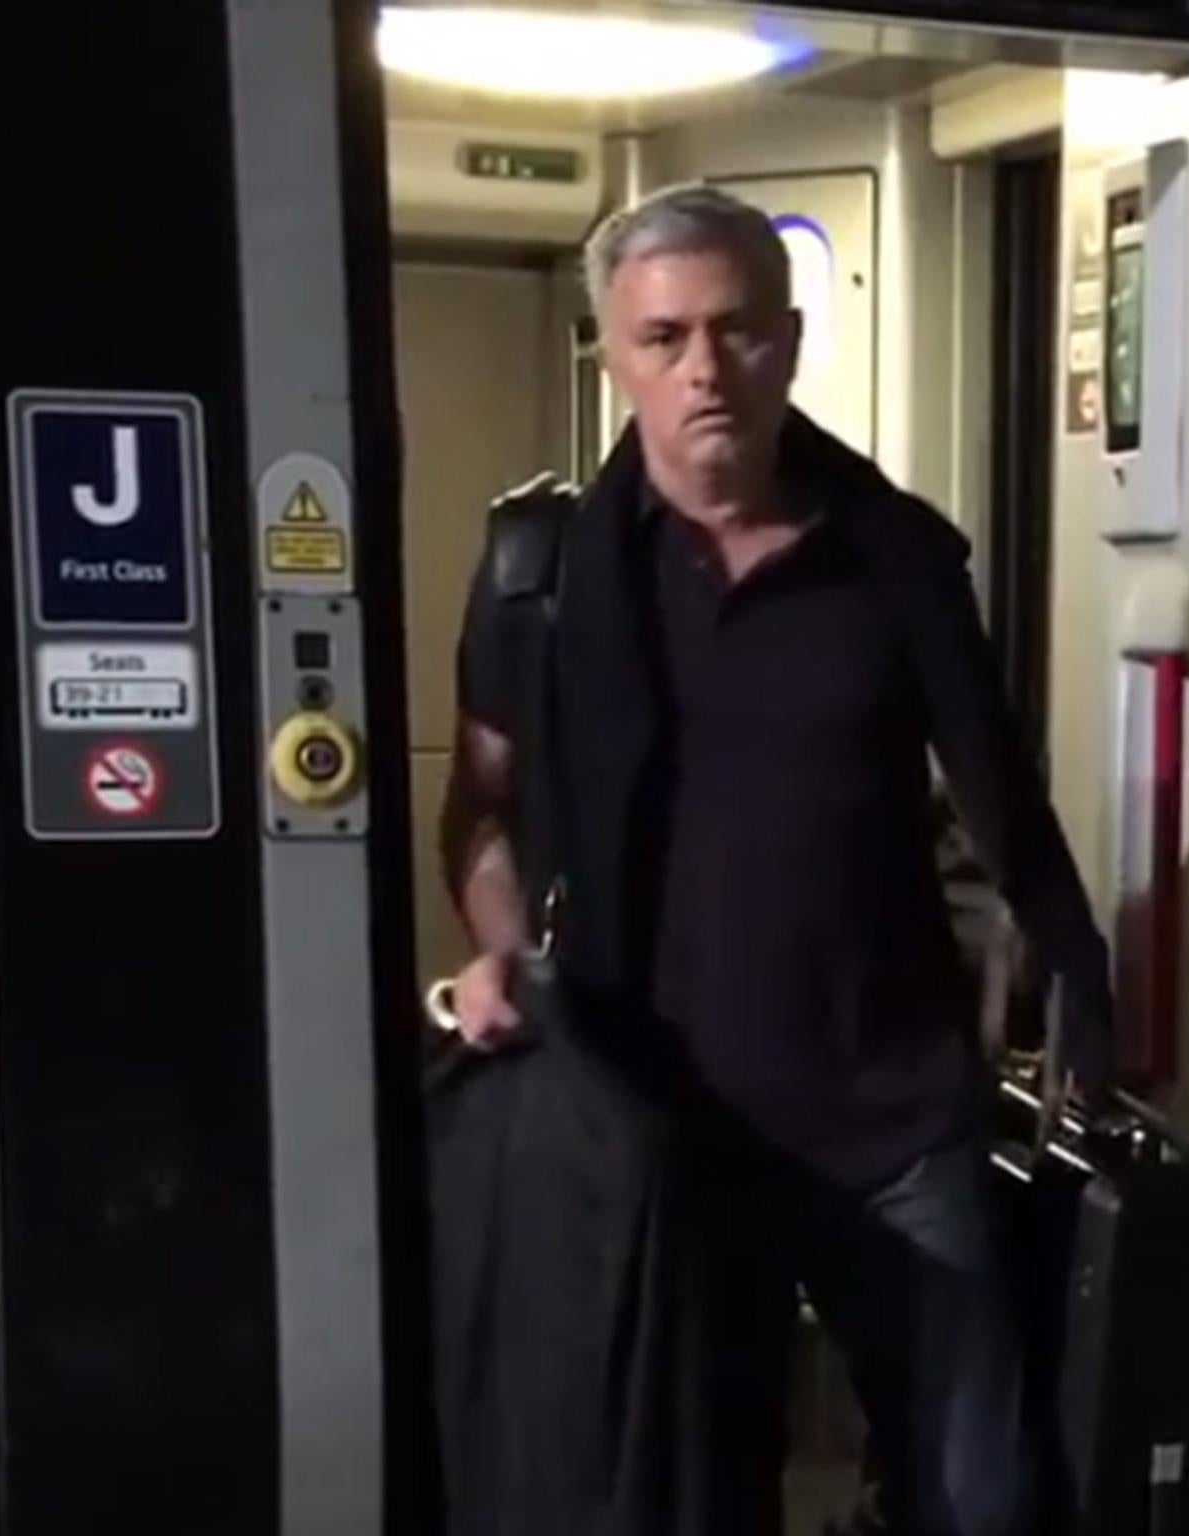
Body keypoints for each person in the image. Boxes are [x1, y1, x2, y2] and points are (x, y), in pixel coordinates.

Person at [437, 183, 1114, 1536]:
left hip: (896, 1121)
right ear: (617, 355)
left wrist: (1056, 1001)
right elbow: (486, 810)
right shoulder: (546, 575)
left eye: (737, 331)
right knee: (688, 1498)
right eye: (665, 336)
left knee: (982, 1501)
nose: (703, 370)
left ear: (790, 342)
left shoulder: (900, 561)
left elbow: (1001, 805)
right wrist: (502, 944)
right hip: (660, 1131)